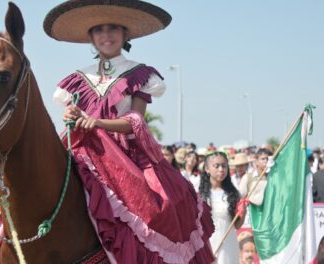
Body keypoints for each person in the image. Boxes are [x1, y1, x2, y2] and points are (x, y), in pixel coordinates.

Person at [45, 1, 215, 262]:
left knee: (165, 207)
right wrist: (72, 115)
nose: (106, 35)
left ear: (126, 35)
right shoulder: (77, 78)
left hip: (126, 156)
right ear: (91, 37)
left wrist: (98, 123)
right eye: (99, 29)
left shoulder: (139, 73)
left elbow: (136, 120)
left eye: (113, 28)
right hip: (82, 152)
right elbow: (73, 113)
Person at [199, 151, 245, 264]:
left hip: (228, 245)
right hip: (206, 244)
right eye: (216, 166)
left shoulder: (234, 194)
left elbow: (237, 225)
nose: (221, 169)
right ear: (207, 168)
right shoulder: (199, 195)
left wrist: (242, 212)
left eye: (224, 166)